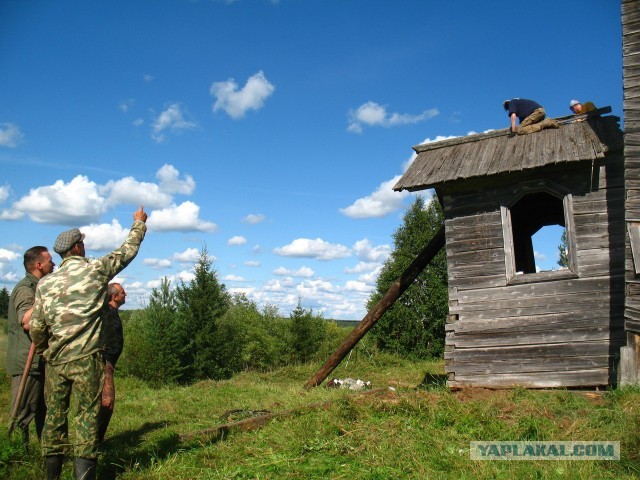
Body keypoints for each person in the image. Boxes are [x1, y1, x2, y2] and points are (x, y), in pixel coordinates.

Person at [30, 206, 147, 480]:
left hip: (56, 362)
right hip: (86, 361)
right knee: (86, 420)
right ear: (79, 247)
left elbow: (37, 327)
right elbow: (127, 251)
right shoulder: (95, 270)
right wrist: (138, 224)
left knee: (54, 419)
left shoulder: (46, 284)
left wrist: (46, 350)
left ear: (62, 253)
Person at [6, 246, 55, 445]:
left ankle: (45, 452)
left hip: (39, 361)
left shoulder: (38, 286)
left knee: (43, 410)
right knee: (23, 412)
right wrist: (44, 299)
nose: (53, 264)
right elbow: (26, 321)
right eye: (50, 260)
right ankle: (16, 455)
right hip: (28, 361)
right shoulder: (26, 288)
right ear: (38, 265)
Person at [97, 282, 126, 443]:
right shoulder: (106, 313)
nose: (125, 294)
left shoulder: (112, 312)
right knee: (107, 403)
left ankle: (96, 439)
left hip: (109, 364)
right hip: (104, 364)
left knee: (106, 403)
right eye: (122, 292)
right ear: (114, 296)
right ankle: (95, 441)